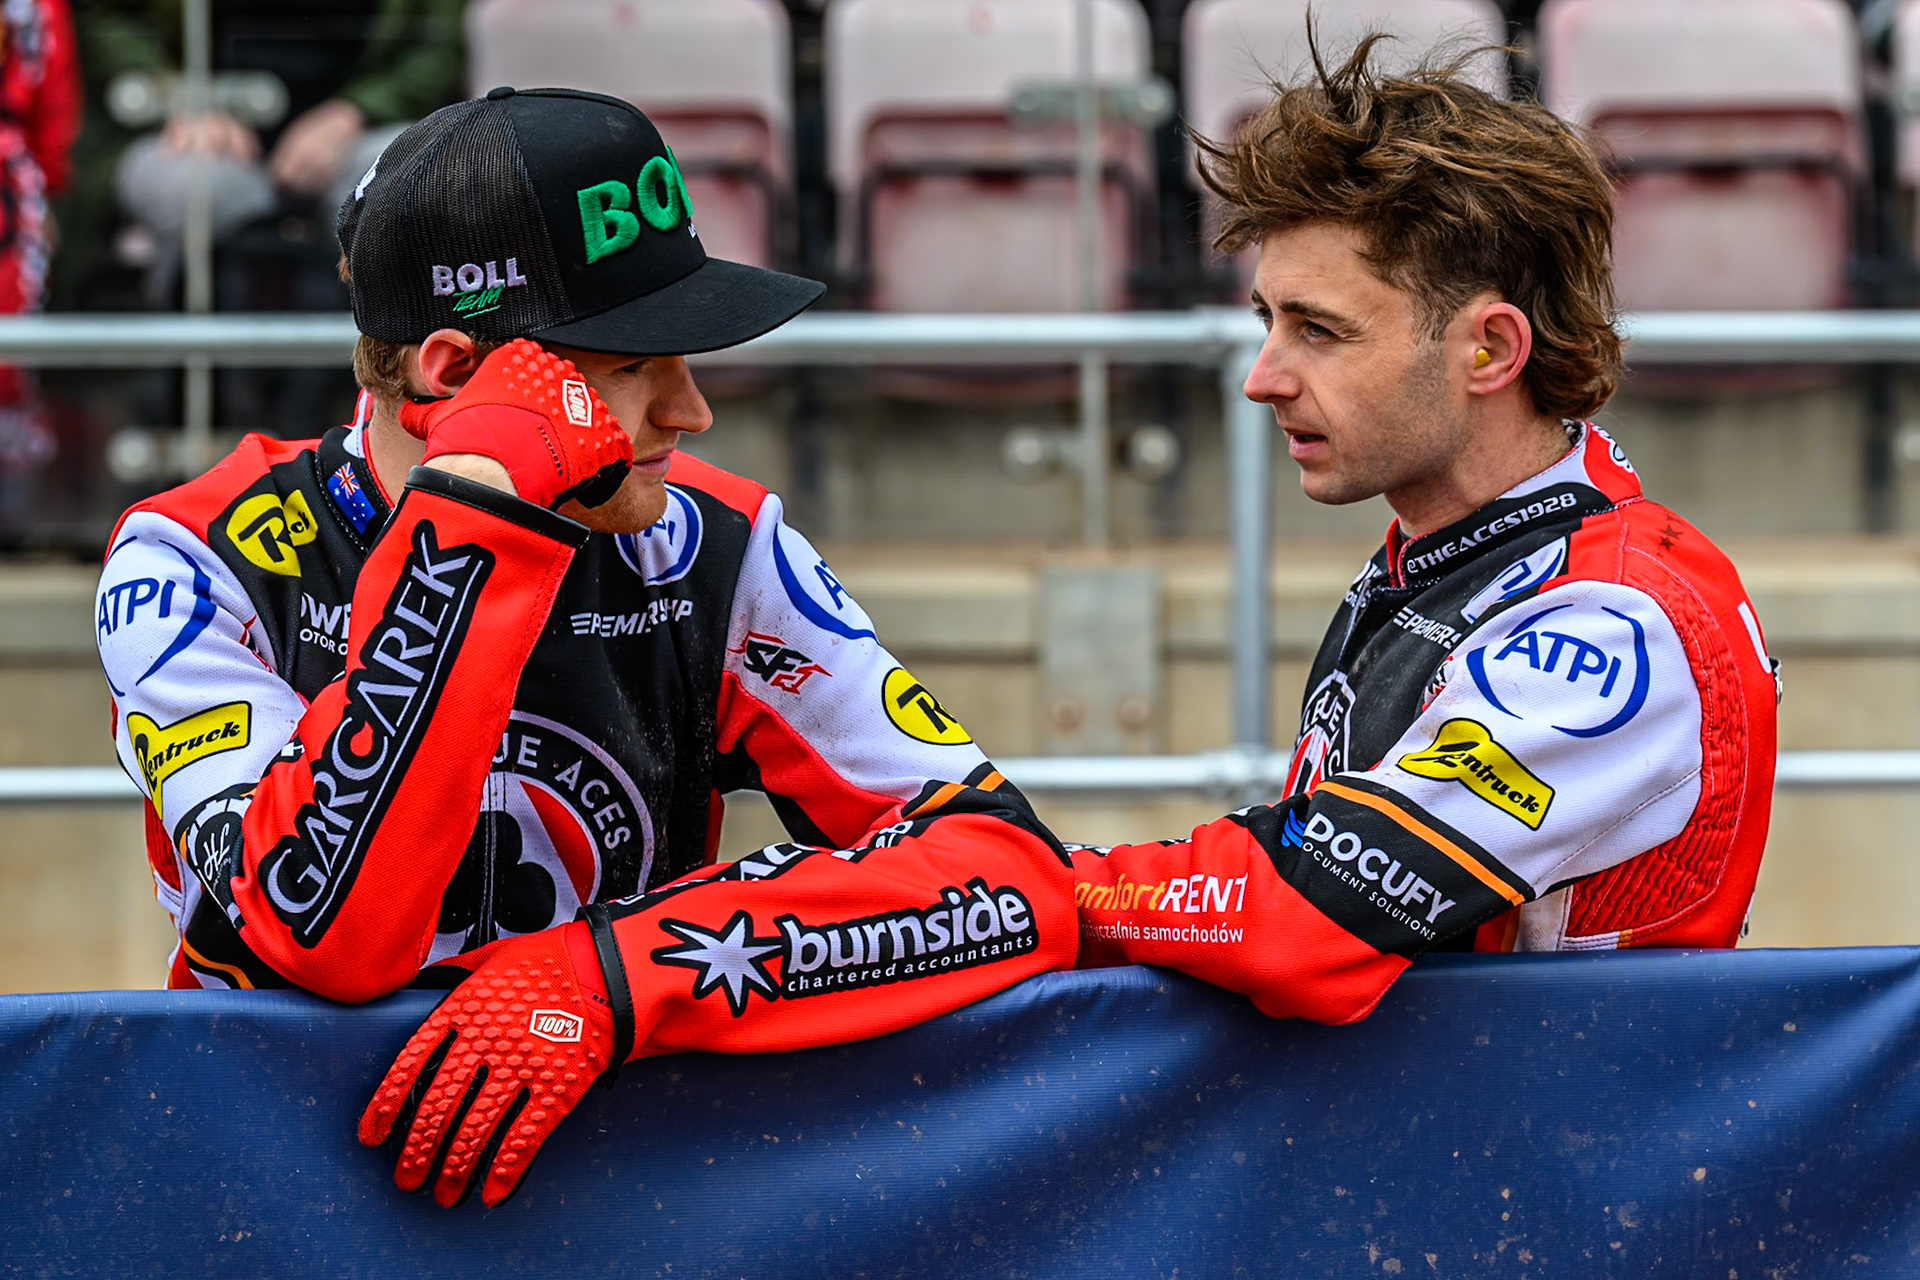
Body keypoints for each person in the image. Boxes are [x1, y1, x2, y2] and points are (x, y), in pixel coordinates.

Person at [96, 88, 1077, 1208]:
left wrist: (618, 973)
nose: (691, 410)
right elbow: (324, 931)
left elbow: (1007, 869)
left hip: (618, 1194)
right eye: (631, 364)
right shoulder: (194, 559)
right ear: (452, 377)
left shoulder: (716, 544)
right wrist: (478, 517)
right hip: (269, 1200)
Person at [1060, 38, 1779, 1013]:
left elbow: (1310, 911)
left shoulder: (1612, 618)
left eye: (1318, 329)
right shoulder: (1463, 546)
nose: (1261, 377)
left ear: (1488, 347)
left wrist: (1023, 890)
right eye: (1268, 319)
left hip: (1574, 1152)